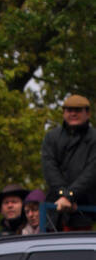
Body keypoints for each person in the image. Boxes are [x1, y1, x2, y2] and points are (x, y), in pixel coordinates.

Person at [41, 94, 96, 229]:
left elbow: (91, 171)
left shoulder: (94, 138)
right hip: (56, 205)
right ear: (63, 112)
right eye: (69, 110)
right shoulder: (51, 137)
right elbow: (49, 167)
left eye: (77, 110)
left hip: (86, 207)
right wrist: (63, 194)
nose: (73, 113)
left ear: (87, 113)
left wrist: (70, 195)